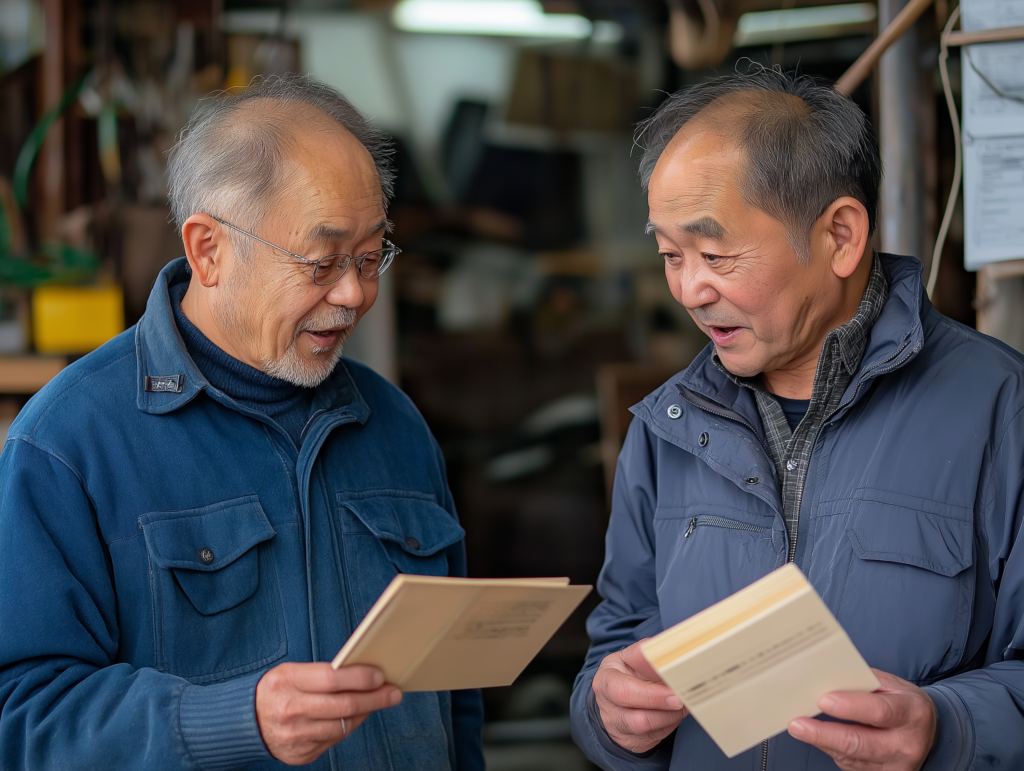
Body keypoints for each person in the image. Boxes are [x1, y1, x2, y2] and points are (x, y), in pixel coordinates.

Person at [0, 74, 483, 771]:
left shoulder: (394, 426)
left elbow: (452, 699)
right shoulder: (70, 443)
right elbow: (20, 715)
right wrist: (227, 719)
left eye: (371, 257)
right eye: (321, 262)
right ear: (208, 251)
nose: (352, 293)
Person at [570, 68, 1024, 771]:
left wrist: (947, 726)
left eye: (716, 254)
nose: (690, 288)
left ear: (840, 235)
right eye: (669, 255)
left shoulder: (1000, 408)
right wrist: (607, 716)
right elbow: (616, 647)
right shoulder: (667, 425)